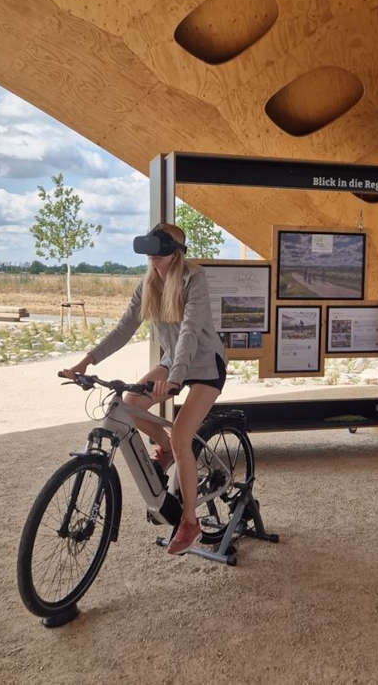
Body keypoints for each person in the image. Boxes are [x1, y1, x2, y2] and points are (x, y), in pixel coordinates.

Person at [61, 223, 226, 555]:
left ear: (177, 252)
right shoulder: (149, 283)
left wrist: (177, 376)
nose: (154, 259)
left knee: (182, 436)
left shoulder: (195, 278)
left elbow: (191, 331)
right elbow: (125, 327)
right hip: (172, 363)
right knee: (132, 403)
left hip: (205, 364)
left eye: (160, 252)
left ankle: (190, 520)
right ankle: (165, 451)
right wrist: (87, 362)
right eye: (150, 252)